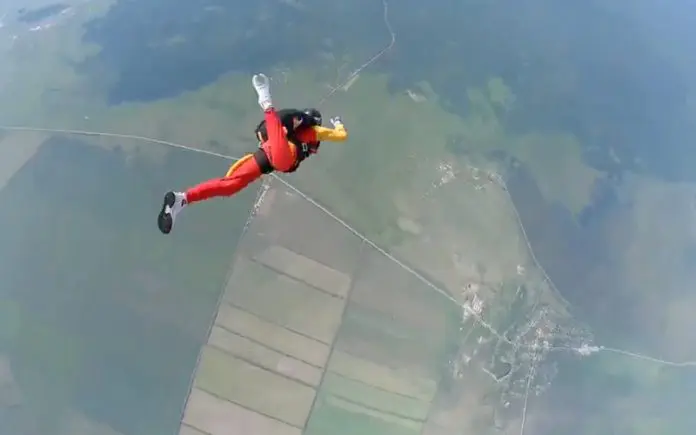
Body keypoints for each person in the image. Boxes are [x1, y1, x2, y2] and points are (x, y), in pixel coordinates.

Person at [157, 73, 348, 234]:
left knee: (230, 186)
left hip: (266, 157)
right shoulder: (314, 132)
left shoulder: (296, 131)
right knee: (281, 155)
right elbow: (341, 136)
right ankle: (266, 101)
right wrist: (338, 123)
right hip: (279, 156)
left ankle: (182, 198)